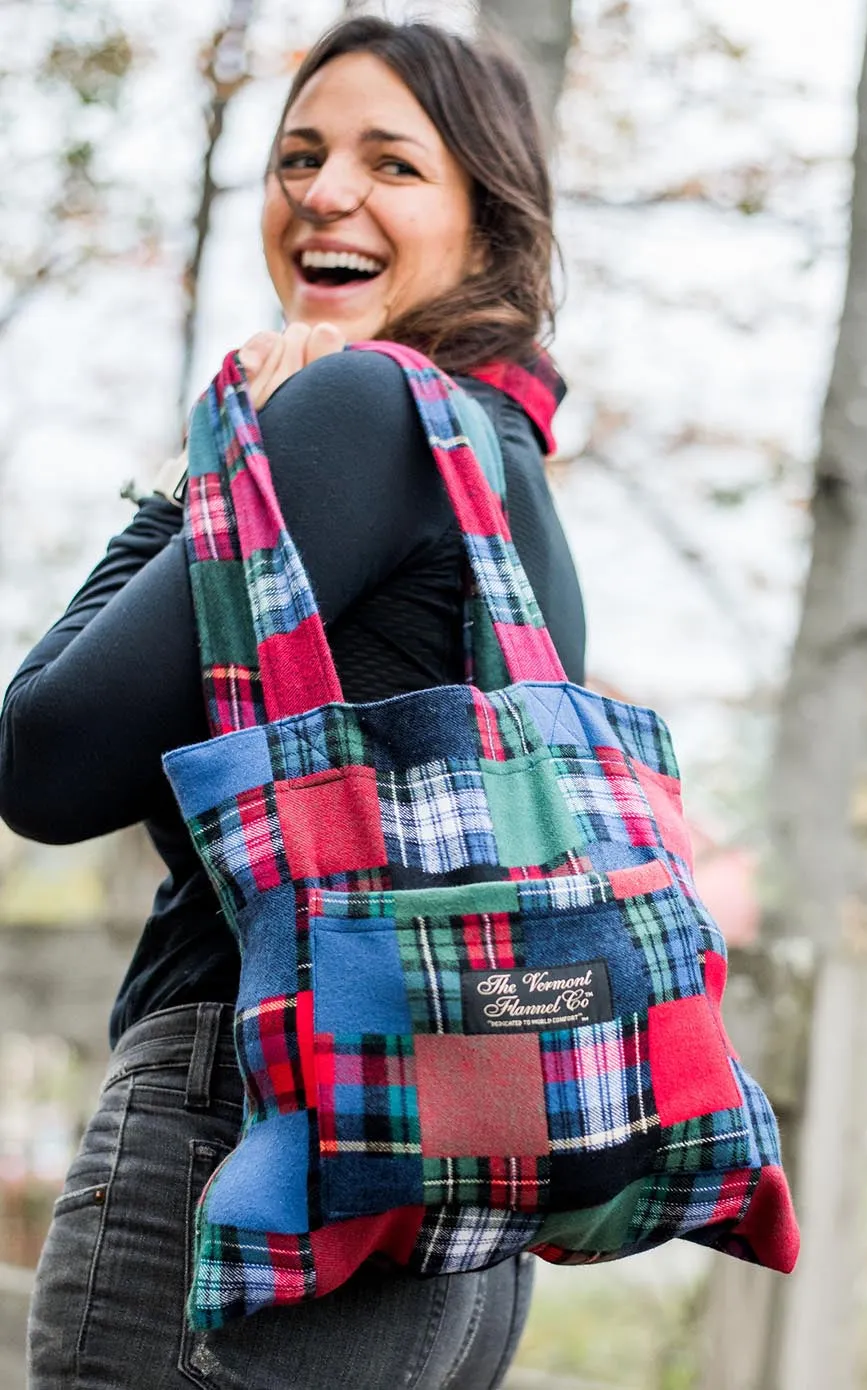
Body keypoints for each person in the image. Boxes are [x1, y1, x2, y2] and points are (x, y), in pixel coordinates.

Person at [0, 16, 585, 1389]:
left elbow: (41, 756)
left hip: (250, 1144)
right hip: (456, 1187)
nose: (325, 193)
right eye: (300, 156)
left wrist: (186, 474)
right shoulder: (504, 463)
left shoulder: (360, 415)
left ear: (487, 223)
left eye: (393, 164)